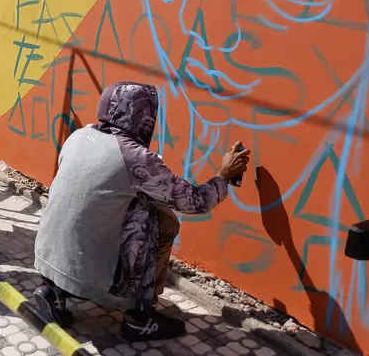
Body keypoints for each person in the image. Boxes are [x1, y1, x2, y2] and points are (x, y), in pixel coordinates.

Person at [33, 81, 251, 342]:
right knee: (158, 220)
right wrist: (223, 175)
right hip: (91, 275)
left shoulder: (80, 135)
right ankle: (138, 317)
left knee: (98, 206)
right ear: (143, 116)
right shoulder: (134, 157)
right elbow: (196, 202)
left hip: (46, 257)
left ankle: (52, 291)